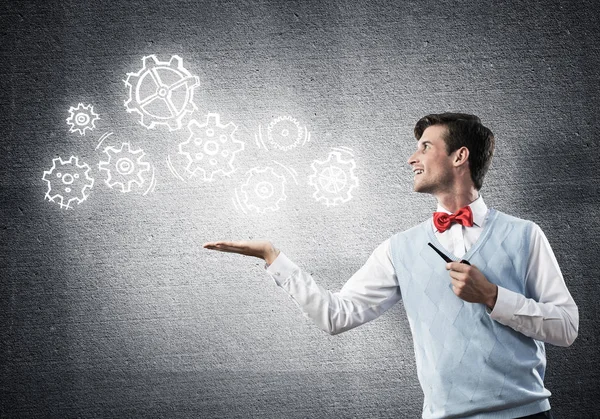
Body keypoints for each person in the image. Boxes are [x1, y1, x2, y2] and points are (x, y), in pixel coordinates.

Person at [204, 113, 578, 419]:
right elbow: (336, 316)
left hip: (527, 415)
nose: (412, 159)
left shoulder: (525, 235)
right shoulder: (398, 249)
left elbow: (567, 327)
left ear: (459, 157)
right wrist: (273, 257)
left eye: (425, 147)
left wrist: (495, 297)